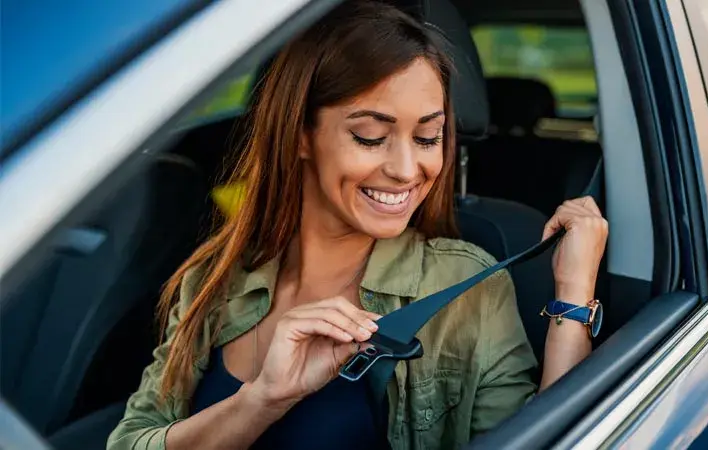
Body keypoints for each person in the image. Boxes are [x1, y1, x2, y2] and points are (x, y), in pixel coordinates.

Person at [107, 1, 607, 449]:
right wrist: (261, 401)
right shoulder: (213, 279)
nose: (408, 170)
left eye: (429, 137)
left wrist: (573, 296)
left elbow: (546, 439)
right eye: (370, 137)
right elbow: (132, 440)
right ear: (300, 136)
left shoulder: (463, 286)